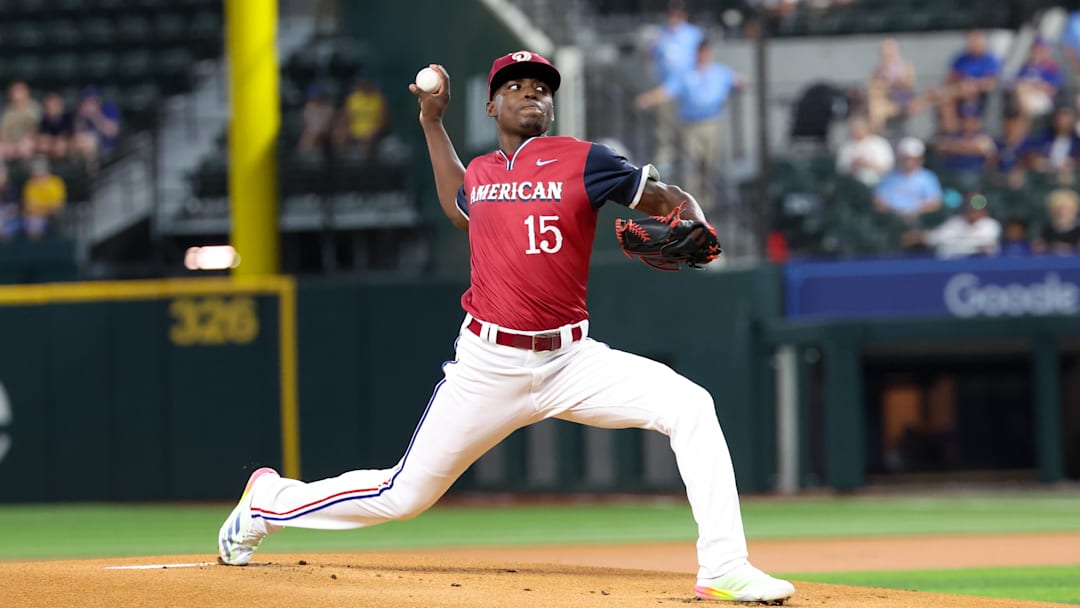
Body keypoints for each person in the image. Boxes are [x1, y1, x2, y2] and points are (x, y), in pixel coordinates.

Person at [216, 50, 796, 605]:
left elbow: (669, 198)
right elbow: (455, 202)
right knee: (403, 495)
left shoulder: (585, 159)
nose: (530, 92)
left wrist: (693, 217)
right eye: (513, 86)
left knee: (690, 405)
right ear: (492, 107)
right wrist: (430, 120)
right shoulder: (484, 173)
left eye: (541, 87)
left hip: (573, 361)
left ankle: (723, 567)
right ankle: (268, 501)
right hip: (488, 366)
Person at [636, 39, 743, 213]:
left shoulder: (719, 72)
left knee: (710, 163)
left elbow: (737, 81)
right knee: (691, 164)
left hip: (711, 122)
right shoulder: (686, 73)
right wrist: (649, 99)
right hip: (691, 124)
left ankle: (708, 204)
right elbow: (668, 90)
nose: (703, 55)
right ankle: (693, 203)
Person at [644, 1, 703, 177]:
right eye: (672, 13)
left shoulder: (693, 34)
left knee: (690, 136)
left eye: (678, 13)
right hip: (665, 92)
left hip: (689, 92)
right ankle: (666, 177)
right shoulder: (661, 34)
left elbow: (702, 61)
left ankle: (691, 177)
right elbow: (650, 58)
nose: (674, 17)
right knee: (665, 136)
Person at [900, 192, 1001, 258]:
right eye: (970, 208)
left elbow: (983, 245)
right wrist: (915, 237)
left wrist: (954, 243)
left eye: (976, 209)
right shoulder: (955, 223)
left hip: (981, 268)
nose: (973, 212)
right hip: (951, 268)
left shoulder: (991, 225)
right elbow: (933, 237)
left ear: (984, 211)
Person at [873, 137, 943, 222]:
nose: (909, 162)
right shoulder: (890, 177)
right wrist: (893, 212)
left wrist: (914, 212)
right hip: (891, 218)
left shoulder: (928, 177)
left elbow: (935, 202)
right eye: (905, 158)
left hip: (918, 219)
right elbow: (879, 200)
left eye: (912, 159)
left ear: (920, 160)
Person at [867, 38, 918, 135]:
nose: (887, 54)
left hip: (901, 101)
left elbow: (908, 85)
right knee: (874, 106)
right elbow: (873, 88)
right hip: (882, 100)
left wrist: (890, 83)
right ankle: (874, 134)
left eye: (890, 50)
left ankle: (875, 134)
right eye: (884, 51)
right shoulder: (878, 70)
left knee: (876, 108)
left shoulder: (905, 67)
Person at [933, 110, 995, 187]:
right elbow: (941, 147)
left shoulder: (984, 136)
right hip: (953, 172)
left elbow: (988, 153)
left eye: (972, 120)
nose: (968, 123)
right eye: (966, 120)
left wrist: (958, 147)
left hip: (974, 173)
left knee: (968, 179)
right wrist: (969, 148)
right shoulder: (956, 134)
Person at [333, 77, 389, 158]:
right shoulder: (353, 99)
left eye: (366, 84)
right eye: (362, 85)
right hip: (354, 132)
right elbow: (345, 118)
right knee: (339, 136)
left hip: (372, 133)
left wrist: (374, 131)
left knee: (367, 140)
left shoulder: (378, 98)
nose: (364, 87)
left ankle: (366, 166)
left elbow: (384, 120)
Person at [1011, 38, 1064, 121]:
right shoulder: (1026, 66)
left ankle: (1024, 122)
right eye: (1036, 49)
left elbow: (1053, 90)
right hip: (1024, 98)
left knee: (1023, 91)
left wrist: (1034, 86)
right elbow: (1015, 83)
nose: (1038, 52)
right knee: (1020, 91)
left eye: (1041, 49)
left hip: (1043, 99)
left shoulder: (1051, 67)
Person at [835, 115, 894, 186]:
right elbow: (841, 170)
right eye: (855, 128)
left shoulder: (879, 143)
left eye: (860, 128)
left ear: (867, 128)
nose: (858, 131)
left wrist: (867, 163)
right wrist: (853, 165)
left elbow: (888, 168)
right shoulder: (847, 147)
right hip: (852, 184)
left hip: (877, 183)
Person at [72, 86, 120, 169]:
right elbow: (78, 134)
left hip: (108, 146)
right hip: (87, 148)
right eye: (86, 101)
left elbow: (110, 132)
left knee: (89, 143)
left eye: (92, 101)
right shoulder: (83, 113)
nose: (89, 104)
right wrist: (80, 118)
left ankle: (93, 175)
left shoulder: (109, 108)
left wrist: (95, 115)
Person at [21, 157, 66, 239]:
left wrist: (39, 206)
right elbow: (29, 206)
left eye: (40, 170)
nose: (38, 173)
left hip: (52, 216)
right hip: (34, 217)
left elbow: (57, 206)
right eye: (36, 171)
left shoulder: (56, 182)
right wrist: (45, 206)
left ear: (46, 170)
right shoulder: (30, 184)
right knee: (32, 223)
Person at [0, 81, 41, 162]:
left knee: (26, 147)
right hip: (9, 142)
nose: (16, 94)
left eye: (19, 91)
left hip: (27, 141)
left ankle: (31, 173)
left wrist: (22, 142)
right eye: (14, 91)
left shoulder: (34, 107)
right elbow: (2, 130)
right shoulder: (7, 110)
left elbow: (37, 129)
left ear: (26, 92)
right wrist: (6, 143)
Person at [1033, 188, 1080, 254]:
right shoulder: (1046, 230)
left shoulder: (1078, 231)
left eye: (1066, 208)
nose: (1062, 212)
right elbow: (1038, 249)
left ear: (1074, 210)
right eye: (1058, 208)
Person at [297, 84, 335, 153]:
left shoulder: (328, 107)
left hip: (326, 135)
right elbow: (307, 125)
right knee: (308, 135)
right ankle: (304, 153)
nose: (314, 99)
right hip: (311, 134)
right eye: (312, 97)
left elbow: (329, 125)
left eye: (316, 96)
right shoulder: (308, 107)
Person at [37, 92, 74, 160]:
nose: (52, 108)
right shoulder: (44, 119)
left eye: (54, 105)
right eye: (48, 106)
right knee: (43, 146)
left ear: (60, 106)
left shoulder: (68, 116)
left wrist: (59, 141)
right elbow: (43, 136)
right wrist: (52, 142)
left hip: (67, 143)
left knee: (61, 145)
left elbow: (67, 135)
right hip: (51, 143)